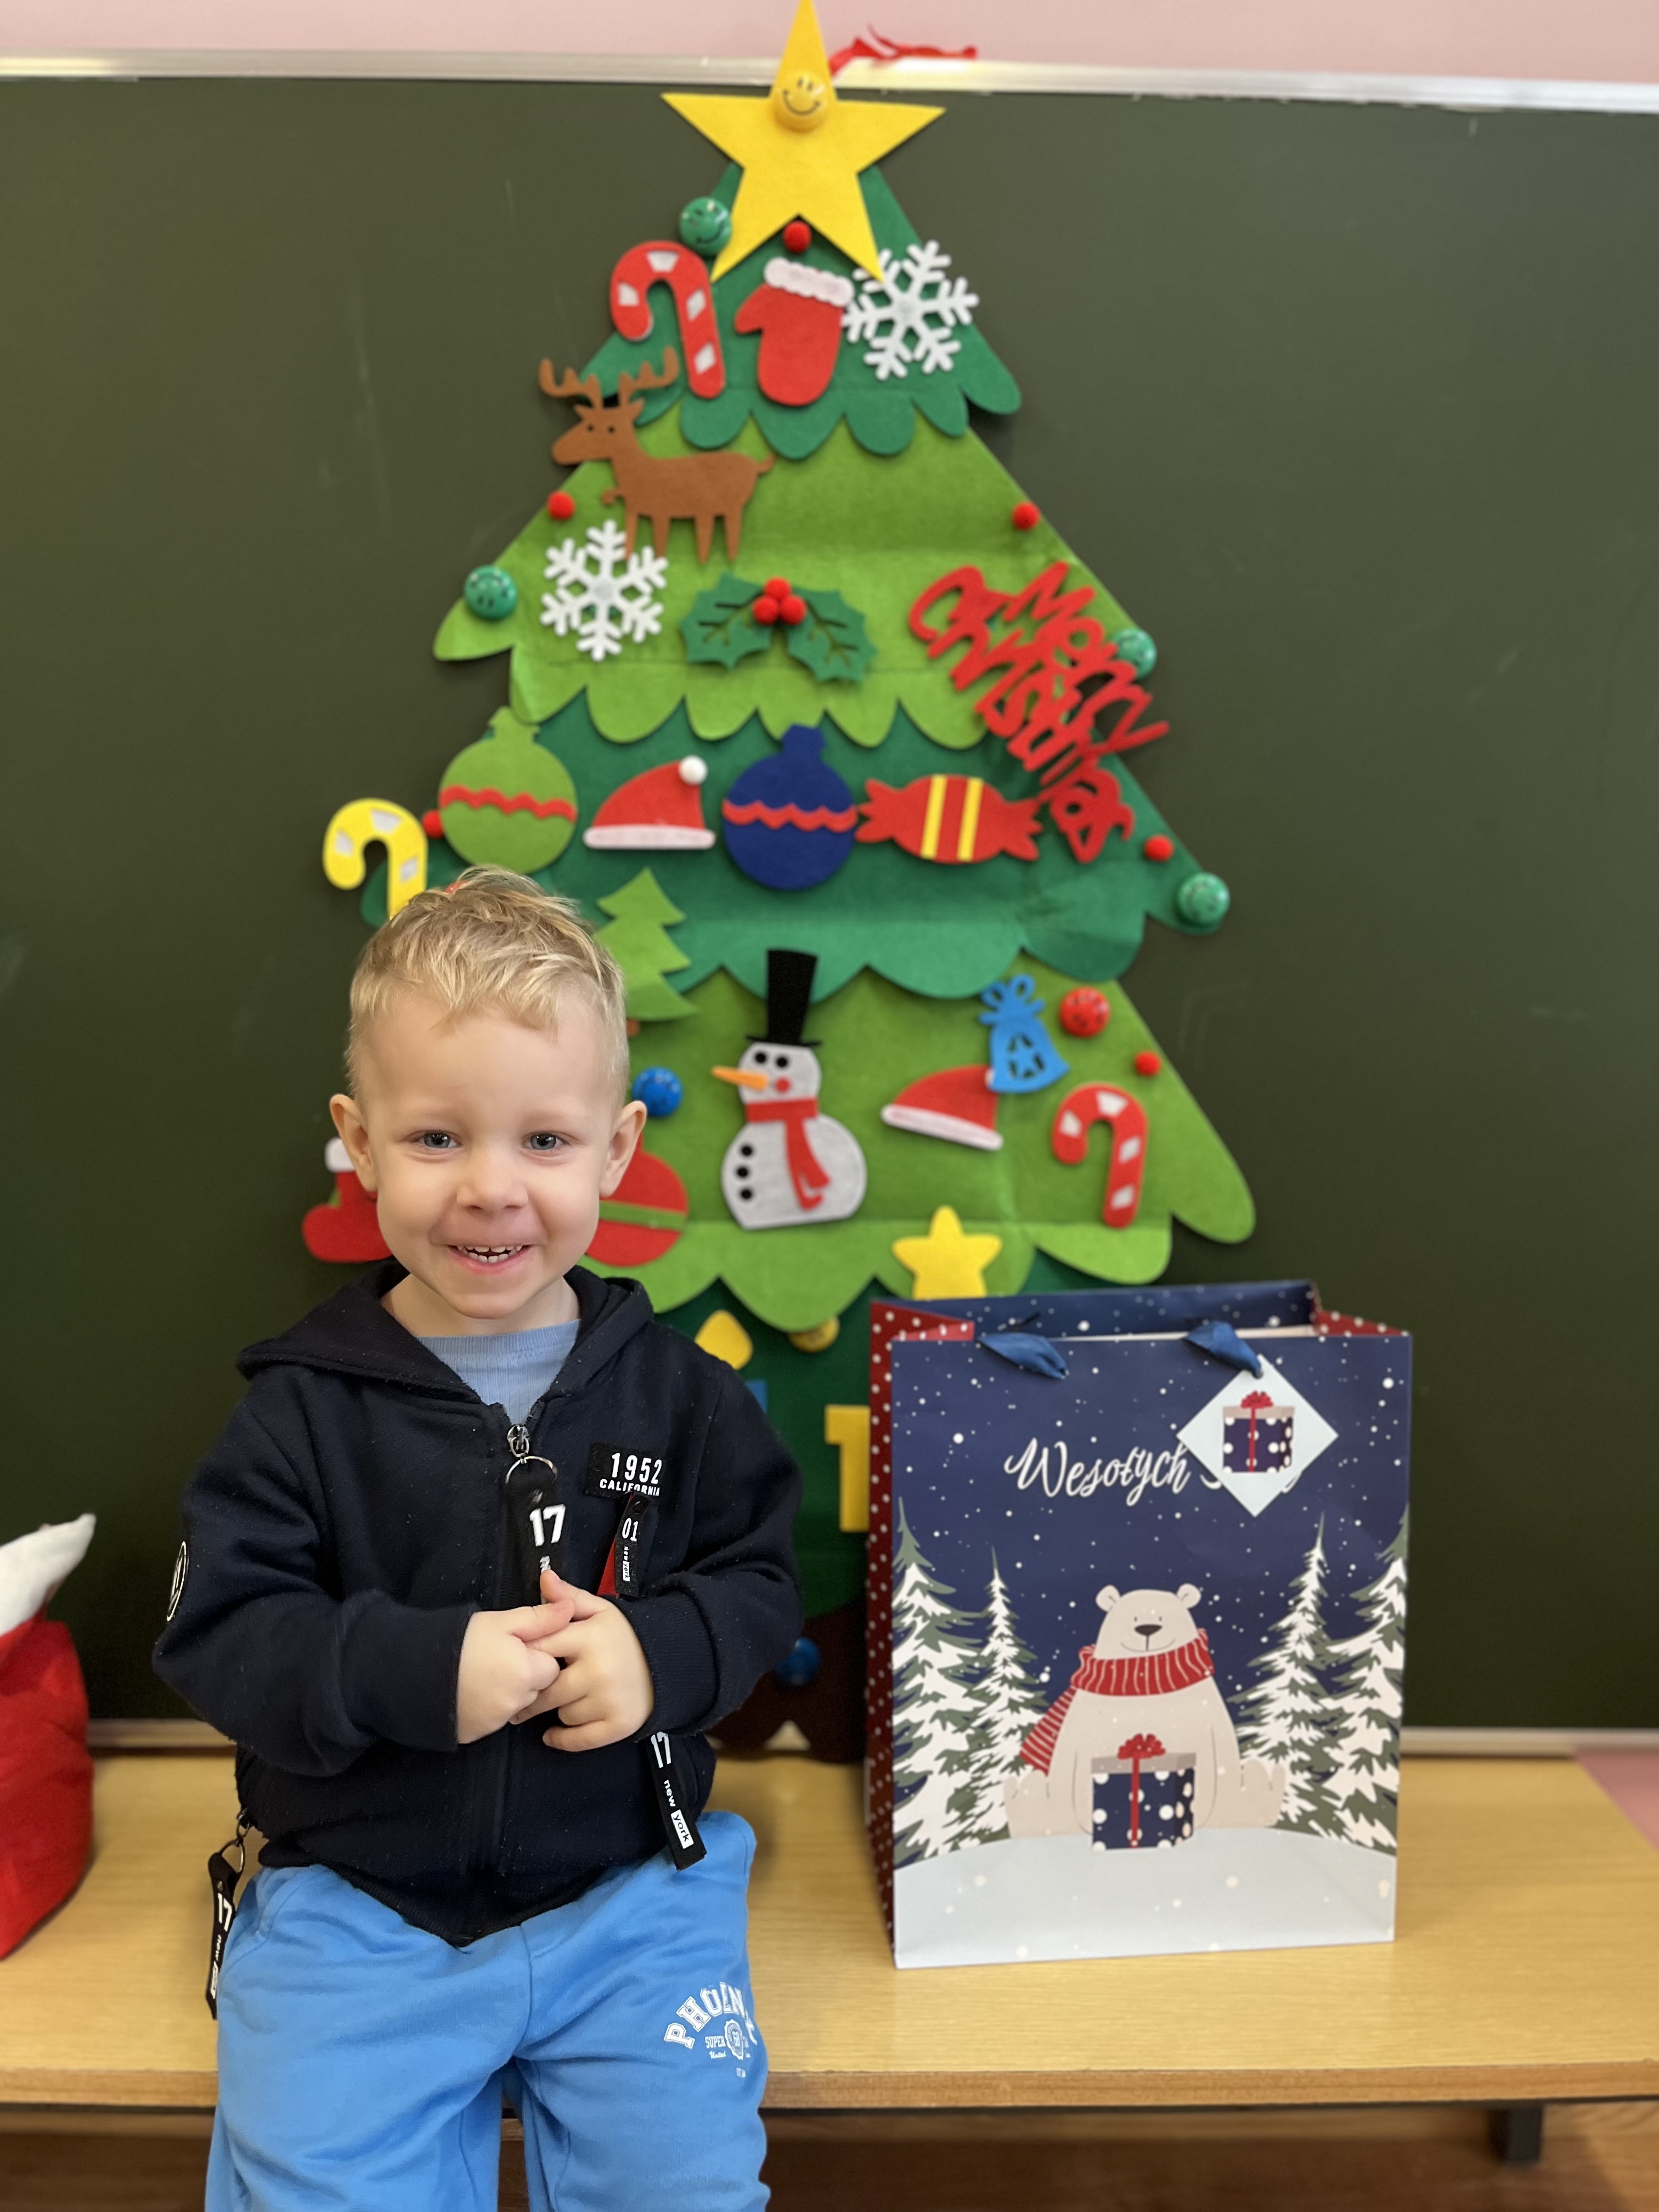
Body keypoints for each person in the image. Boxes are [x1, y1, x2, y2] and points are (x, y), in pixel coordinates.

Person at [155, 867, 802, 2212]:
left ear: (618, 1148)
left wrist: (661, 1653)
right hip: (356, 1906)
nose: (491, 1190)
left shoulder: (685, 1398)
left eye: (546, 1141)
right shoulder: (297, 1414)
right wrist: (412, 1669)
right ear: (359, 1140)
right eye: (438, 1138)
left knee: (684, 2191)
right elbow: (223, 1635)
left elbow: (758, 1581)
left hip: (631, 1903)